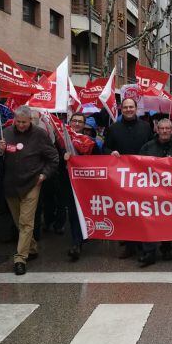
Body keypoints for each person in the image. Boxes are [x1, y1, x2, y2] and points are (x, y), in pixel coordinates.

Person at [0, 105, 59, 276]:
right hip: (11, 184)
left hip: (32, 183)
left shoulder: (39, 134)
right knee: (19, 222)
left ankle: (20, 258)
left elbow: (53, 157)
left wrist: (43, 175)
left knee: (26, 222)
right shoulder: (6, 133)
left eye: (24, 122)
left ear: (30, 120)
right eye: (18, 122)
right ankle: (31, 247)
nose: (21, 125)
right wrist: (0, 149)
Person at [104, 98, 154, 260]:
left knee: (143, 210)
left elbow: (152, 146)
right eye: (125, 107)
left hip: (142, 176)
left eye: (131, 107)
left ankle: (144, 243)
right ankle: (129, 245)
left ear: (136, 108)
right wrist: (110, 152)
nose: (128, 109)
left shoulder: (146, 127)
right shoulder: (113, 128)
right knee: (126, 211)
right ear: (121, 109)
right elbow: (105, 147)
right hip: (122, 178)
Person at [138, 118, 172, 267]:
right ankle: (149, 252)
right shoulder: (147, 147)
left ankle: (166, 248)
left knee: (168, 220)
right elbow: (137, 166)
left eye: (167, 128)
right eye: (162, 128)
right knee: (149, 221)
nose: (164, 131)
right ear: (157, 130)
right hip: (151, 192)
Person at [62, 112, 98, 261]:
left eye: (80, 122)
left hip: (86, 182)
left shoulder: (89, 141)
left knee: (83, 210)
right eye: (74, 121)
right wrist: (63, 158)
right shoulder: (61, 138)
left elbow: (98, 159)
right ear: (70, 122)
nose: (77, 124)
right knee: (73, 212)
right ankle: (77, 242)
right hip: (67, 181)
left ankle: (82, 237)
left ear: (84, 125)